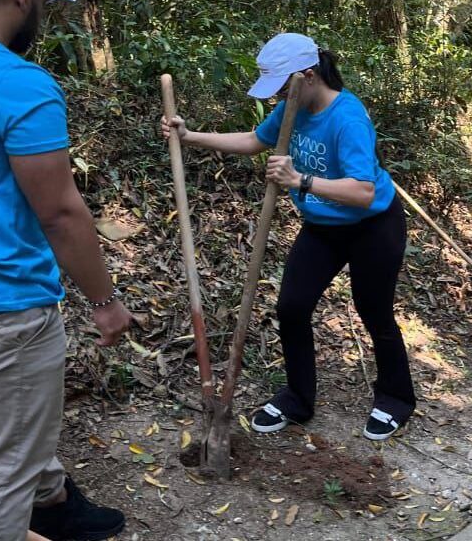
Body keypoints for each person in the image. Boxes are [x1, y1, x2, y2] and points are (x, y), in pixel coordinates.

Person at [161, 33, 415, 440]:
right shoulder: (291, 107)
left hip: (373, 226)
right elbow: (252, 141)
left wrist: (301, 180)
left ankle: (395, 398)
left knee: (375, 312)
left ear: (308, 76)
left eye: (281, 87)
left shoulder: (347, 117)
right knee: (292, 307)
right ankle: (298, 398)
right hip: (323, 228)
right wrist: (188, 136)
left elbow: (363, 191)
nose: (278, 97)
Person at [0, 0, 131, 541]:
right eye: (44, 3)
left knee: (17, 422)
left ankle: (54, 501)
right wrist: (105, 303)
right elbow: (60, 213)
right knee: (3, 463)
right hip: (0, 305)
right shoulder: (19, 84)